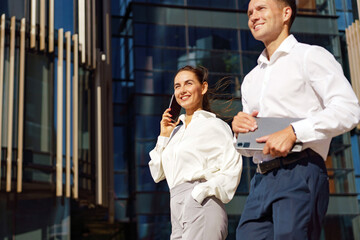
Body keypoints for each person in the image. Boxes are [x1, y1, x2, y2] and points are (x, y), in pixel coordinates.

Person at [232, 0, 360, 239]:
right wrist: (240, 132)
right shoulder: (250, 79)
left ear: (286, 13)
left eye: (261, 9)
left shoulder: (310, 56)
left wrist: (293, 132)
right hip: (261, 180)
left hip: (300, 171)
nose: (253, 16)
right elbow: (249, 148)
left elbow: (349, 109)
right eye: (249, 12)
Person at [149, 65, 242, 240]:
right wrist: (163, 135)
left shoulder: (214, 125)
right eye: (177, 86)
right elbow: (157, 173)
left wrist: (200, 192)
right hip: (176, 207)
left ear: (203, 87)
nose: (182, 90)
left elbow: (232, 168)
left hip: (201, 202)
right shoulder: (175, 132)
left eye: (188, 83)